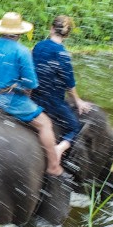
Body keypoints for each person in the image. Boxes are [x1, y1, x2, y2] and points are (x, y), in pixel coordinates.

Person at [0, 11, 68, 182]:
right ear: (19, 32)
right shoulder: (22, 51)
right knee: (45, 124)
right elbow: (31, 84)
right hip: (11, 101)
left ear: (0, 30)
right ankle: (53, 166)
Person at [30, 15, 94, 143]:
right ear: (67, 35)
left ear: (51, 29)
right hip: (52, 103)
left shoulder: (38, 46)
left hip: (34, 97)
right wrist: (78, 101)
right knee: (75, 128)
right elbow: (69, 83)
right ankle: (59, 150)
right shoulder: (62, 53)